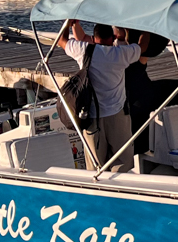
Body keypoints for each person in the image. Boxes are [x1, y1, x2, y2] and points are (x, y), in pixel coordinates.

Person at [60, 19, 142, 171]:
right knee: (123, 161)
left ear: (94, 38)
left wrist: (70, 23)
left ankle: (98, 188)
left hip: (91, 116)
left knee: (95, 164)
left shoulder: (85, 50)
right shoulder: (121, 53)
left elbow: (62, 40)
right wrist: (146, 31)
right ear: (112, 38)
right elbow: (141, 48)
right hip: (117, 115)